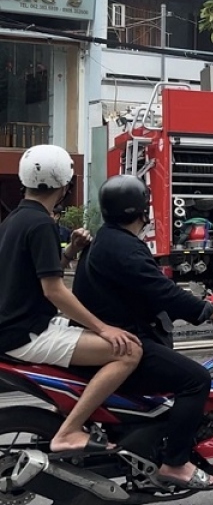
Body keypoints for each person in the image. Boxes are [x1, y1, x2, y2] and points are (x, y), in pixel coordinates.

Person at [72, 174, 213, 490]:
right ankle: (176, 463)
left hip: (109, 338)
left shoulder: (104, 240)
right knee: (196, 380)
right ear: (142, 211)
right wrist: (211, 310)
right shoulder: (125, 248)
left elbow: (153, 290)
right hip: (125, 343)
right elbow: (162, 292)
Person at [0, 145, 142, 455]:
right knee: (129, 350)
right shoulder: (41, 225)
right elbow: (54, 290)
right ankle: (69, 430)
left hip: (14, 328)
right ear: (65, 186)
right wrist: (103, 328)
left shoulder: (14, 221)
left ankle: (68, 415)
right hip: (28, 333)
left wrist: (69, 252)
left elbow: (35, 278)